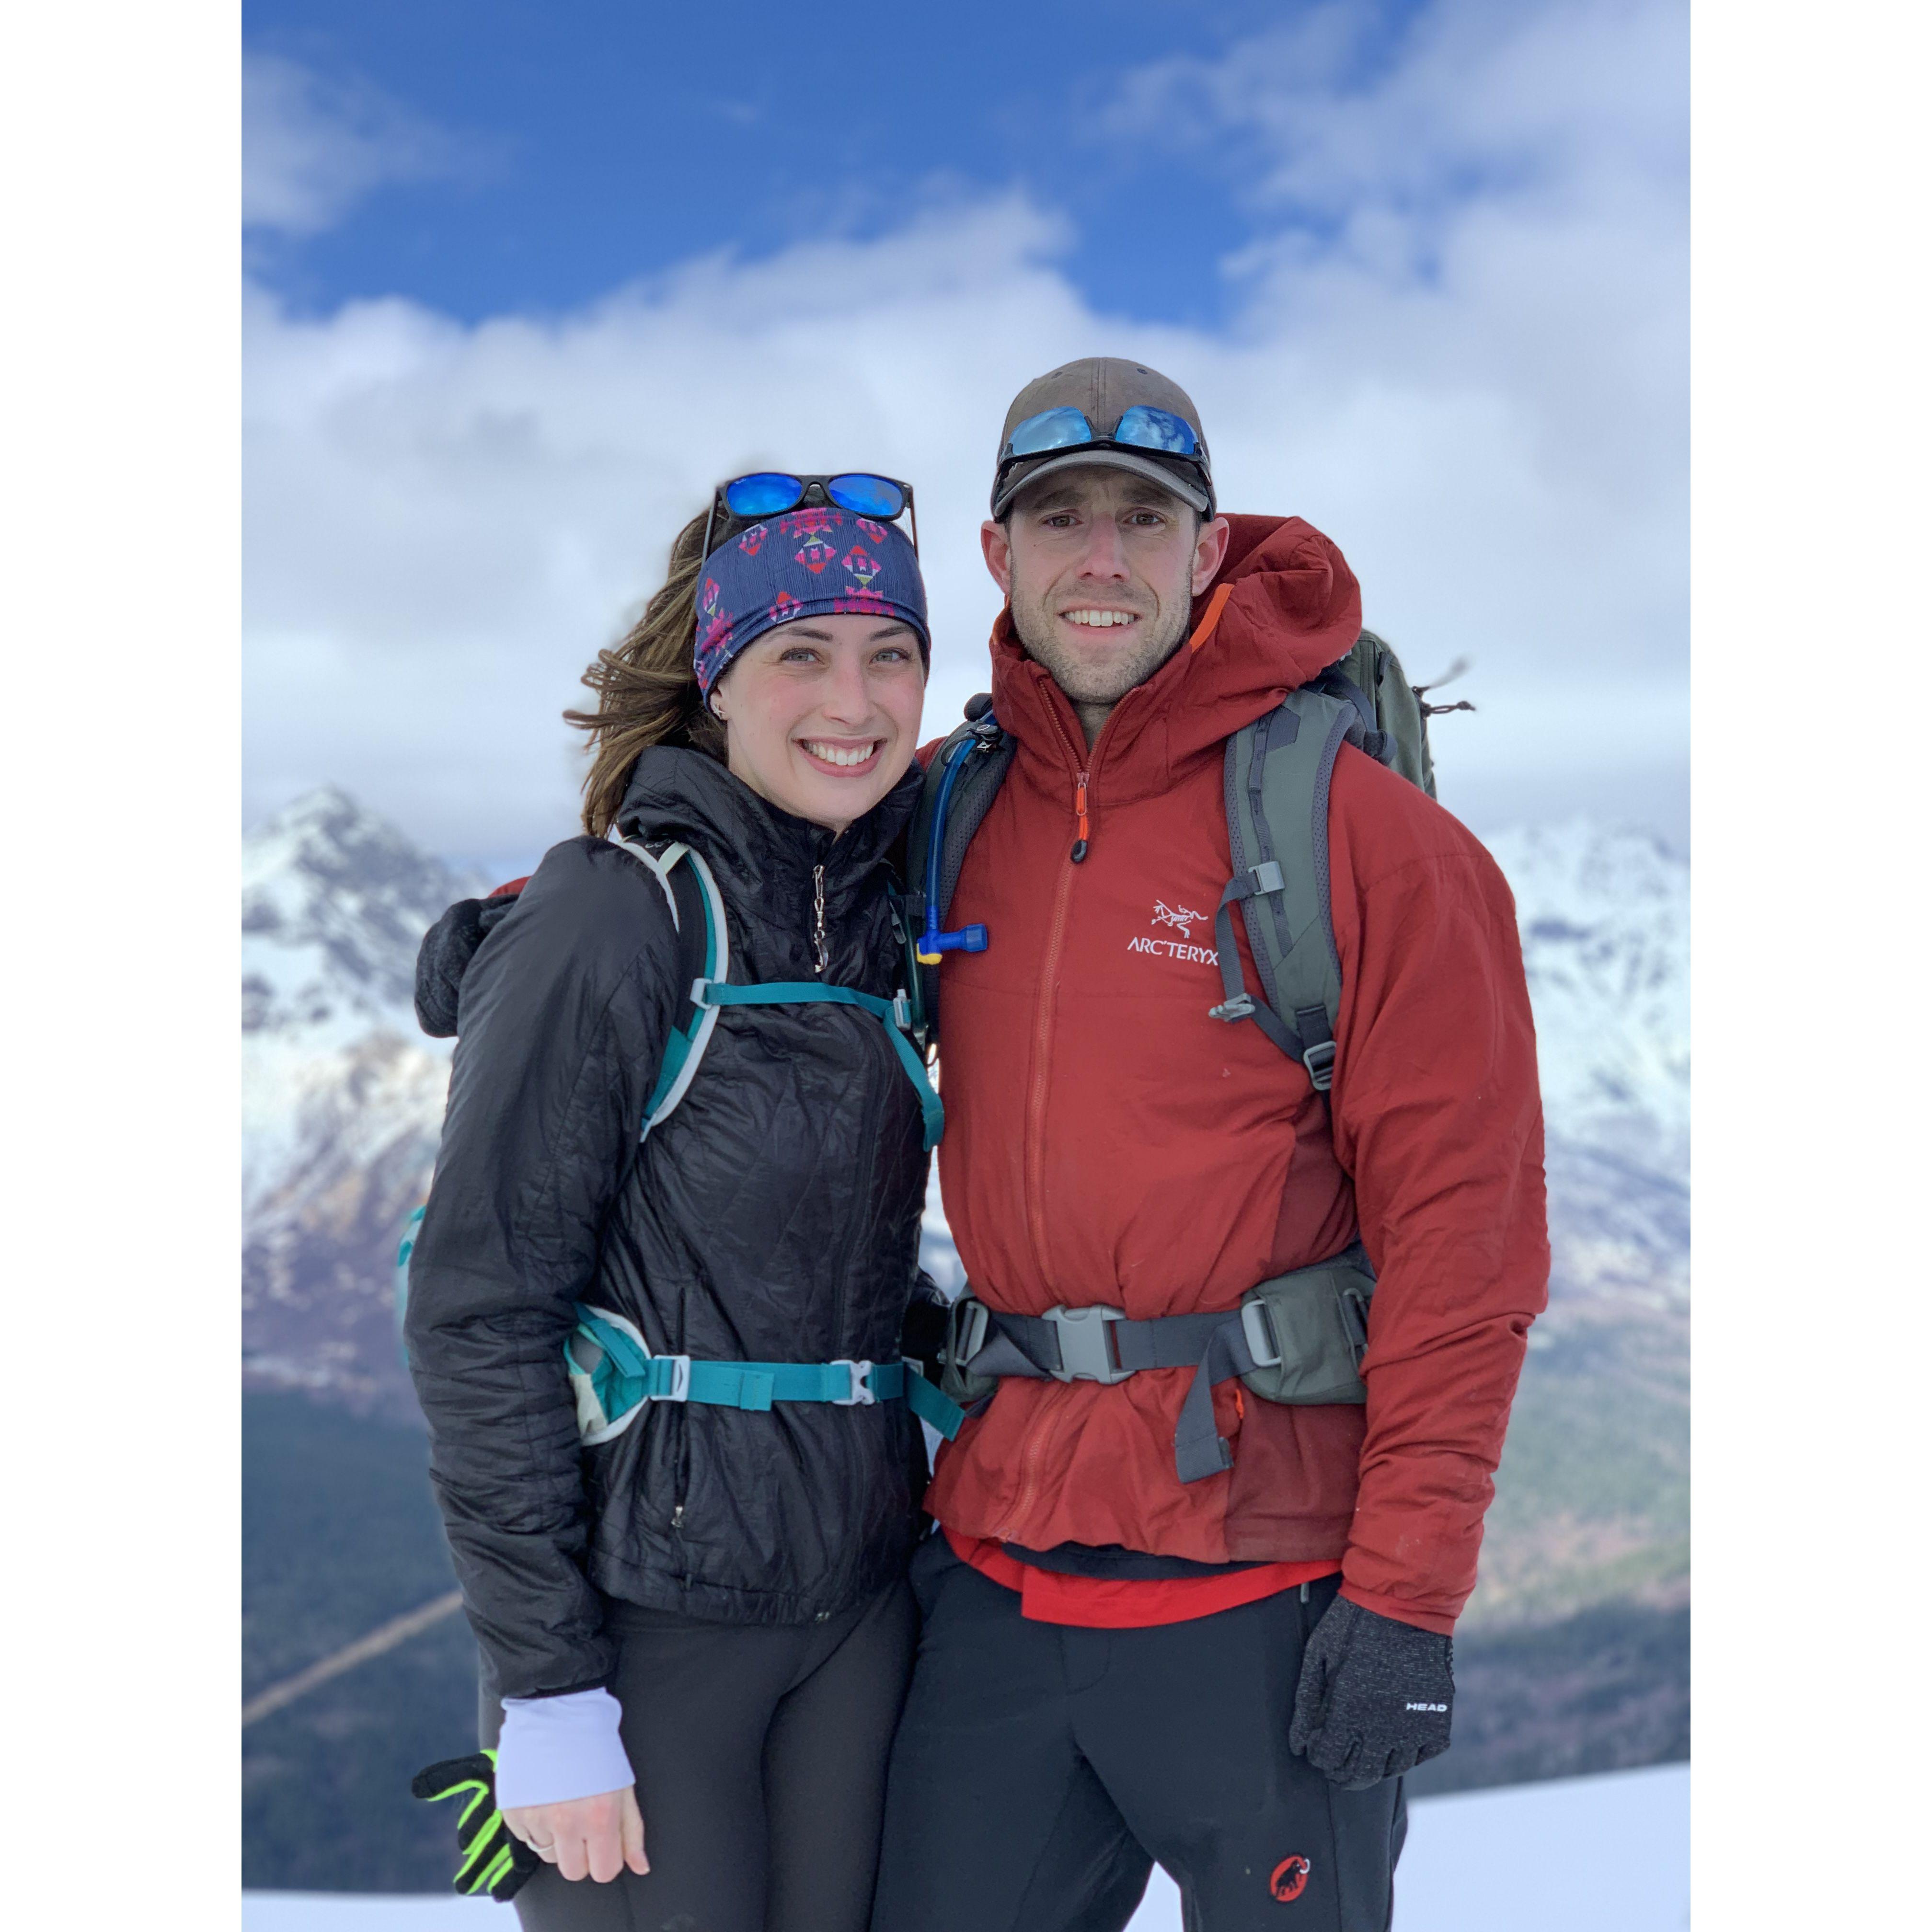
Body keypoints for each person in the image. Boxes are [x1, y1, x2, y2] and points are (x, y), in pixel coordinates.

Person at [868, 360, 1550, 1932]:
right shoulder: (956, 802)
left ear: (1205, 547)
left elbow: (1469, 1246)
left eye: (1142, 520)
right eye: (1060, 520)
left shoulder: (1368, 843)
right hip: (1002, 1559)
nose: (1099, 559)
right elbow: (774, 842)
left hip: (1269, 1581)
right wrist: (548, 914)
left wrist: (1403, 1604)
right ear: (998, 555)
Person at [403, 473, 950, 1932]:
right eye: (802, 652)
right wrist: (551, 1691)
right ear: (717, 682)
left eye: (891, 651)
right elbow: (479, 1311)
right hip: (652, 1628)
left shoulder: (881, 922)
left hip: (854, 1611)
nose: (857, 697)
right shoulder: (614, 913)